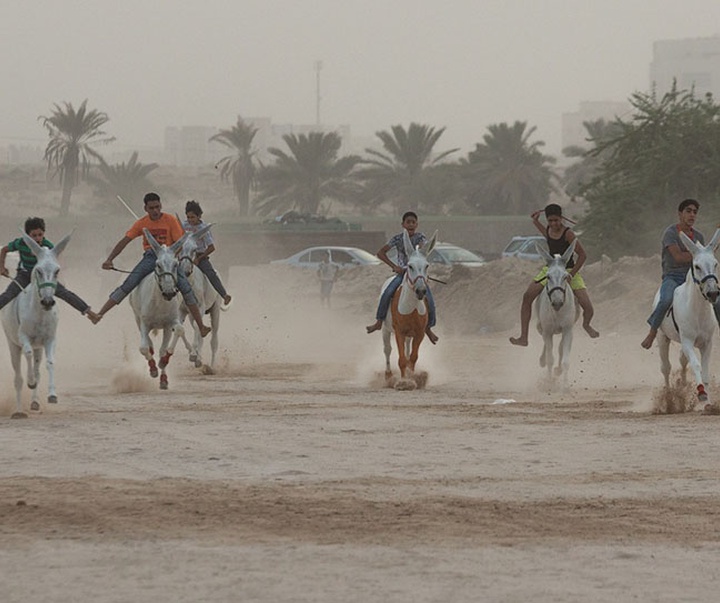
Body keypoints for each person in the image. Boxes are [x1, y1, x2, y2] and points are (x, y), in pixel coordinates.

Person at [95, 192, 211, 337]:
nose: (155, 211)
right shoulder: (142, 223)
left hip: (168, 257)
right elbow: (125, 241)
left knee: (186, 288)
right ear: (146, 208)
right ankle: (100, 314)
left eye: (157, 207)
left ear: (161, 205)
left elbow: (180, 243)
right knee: (129, 283)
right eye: (151, 208)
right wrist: (110, 259)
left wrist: (170, 254)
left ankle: (201, 326)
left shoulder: (170, 220)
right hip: (150, 257)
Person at [509, 203, 599, 346]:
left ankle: (586, 325)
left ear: (561, 219)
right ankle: (523, 337)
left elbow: (582, 255)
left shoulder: (568, 234)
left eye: (556, 220)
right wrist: (536, 221)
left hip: (568, 270)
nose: (553, 223)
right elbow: (545, 233)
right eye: (550, 221)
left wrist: (572, 275)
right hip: (550, 269)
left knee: (587, 306)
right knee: (527, 296)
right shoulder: (549, 231)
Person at [640, 198, 720, 349]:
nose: (692, 215)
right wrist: (701, 255)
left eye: (695, 212)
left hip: (694, 277)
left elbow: (702, 262)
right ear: (680, 214)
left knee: (717, 297)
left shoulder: (699, 236)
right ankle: (652, 332)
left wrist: (705, 256)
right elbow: (677, 257)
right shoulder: (670, 233)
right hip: (673, 276)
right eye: (688, 211)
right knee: (665, 299)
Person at [0, 217, 101, 323]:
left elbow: (54, 263)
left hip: (43, 277)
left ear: (44, 233)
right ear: (27, 236)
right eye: (33, 236)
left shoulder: (48, 246)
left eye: (40, 235)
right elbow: (4, 250)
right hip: (25, 274)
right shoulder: (20, 243)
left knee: (65, 293)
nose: (37, 238)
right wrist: (1, 267)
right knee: (9, 294)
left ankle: (90, 313)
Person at [365, 211, 439, 344]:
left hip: (415, 275)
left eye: (413, 222)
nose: (410, 224)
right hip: (402, 274)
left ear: (417, 224)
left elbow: (423, 251)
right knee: (387, 292)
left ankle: (428, 328)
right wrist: (394, 266)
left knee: (430, 299)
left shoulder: (421, 238)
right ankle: (379, 321)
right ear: (403, 224)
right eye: (408, 222)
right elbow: (380, 253)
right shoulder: (397, 239)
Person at [182, 200, 232, 306]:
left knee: (211, 273)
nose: (190, 220)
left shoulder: (204, 229)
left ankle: (224, 295)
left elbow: (211, 247)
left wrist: (198, 259)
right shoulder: (183, 225)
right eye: (188, 217)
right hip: (185, 255)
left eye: (193, 217)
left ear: (199, 216)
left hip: (200, 256)